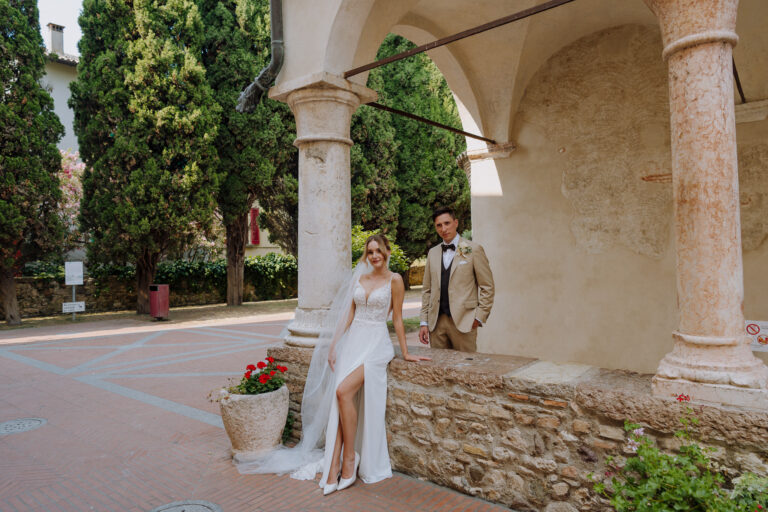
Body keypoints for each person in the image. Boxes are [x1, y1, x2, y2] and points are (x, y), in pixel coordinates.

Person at [236, 234, 430, 495]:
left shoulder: (395, 280)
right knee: (340, 400)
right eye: (370, 252)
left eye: (378, 251)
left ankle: (349, 458)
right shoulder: (360, 278)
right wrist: (334, 344)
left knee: (342, 391)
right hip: (354, 341)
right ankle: (335, 464)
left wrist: (405, 353)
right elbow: (349, 313)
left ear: (387, 251)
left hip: (376, 345)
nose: (374, 256)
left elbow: (397, 318)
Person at [419, 207, 495, 352]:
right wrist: (424, 321)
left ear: (456, 223)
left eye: (447, 223)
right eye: (439, 225)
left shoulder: (473, 249)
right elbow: (427, 290)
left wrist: (479, 317)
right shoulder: (432, 253)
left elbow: (487, 286)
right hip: (436, 323)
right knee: (439, 364)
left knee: (466, 364)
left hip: (464, 322)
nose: (443, 229)